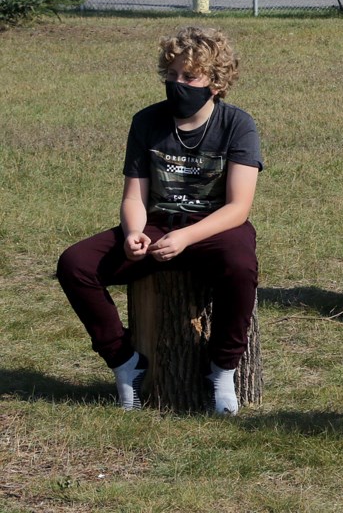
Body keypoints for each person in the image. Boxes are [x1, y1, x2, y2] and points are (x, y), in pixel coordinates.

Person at [56, 26, 263, 415]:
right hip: (156, 225)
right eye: (171, 75)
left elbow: (239, 208)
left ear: (215, 82)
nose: (178, 84)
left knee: (240, 266)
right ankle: (124, 362)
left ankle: (222, 369)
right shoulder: (147, 121)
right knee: (75, 264)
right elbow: (134, 195)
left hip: (213, 226)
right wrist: (134, 232)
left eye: (189, 77)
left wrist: (186, 237)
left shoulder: (238, 124)